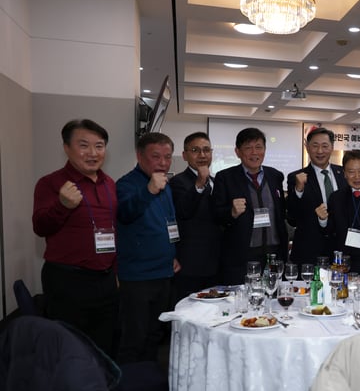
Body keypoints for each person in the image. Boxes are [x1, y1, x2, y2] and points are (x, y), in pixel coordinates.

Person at [32, 119, 118, 355]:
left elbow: (114, 230)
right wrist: (62, 205)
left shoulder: (109, 184)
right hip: (68, 281)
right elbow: (40, 226)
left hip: (106, 279)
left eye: (99, 146)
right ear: (66, 148)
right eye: (83, 145)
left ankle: (102, 380)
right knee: (70, 349)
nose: (93, 153)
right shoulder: (50, 183)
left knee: (105, 346)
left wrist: (116, 271)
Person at [116, 132, 180, 363]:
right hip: (138, 277)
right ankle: (128, 383)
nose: (163, 162)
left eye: (167, 157)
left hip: (164, 272)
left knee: (155, 334)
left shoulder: (165, 184)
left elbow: (169, 222)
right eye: (156, 156)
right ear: (139, 156)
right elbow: (125, 213)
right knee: (135, 338)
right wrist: (148, 191)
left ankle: (148, 378)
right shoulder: (126, 184)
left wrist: (173, 253)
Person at [213, 127, 288, 285]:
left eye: (259, 147)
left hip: (274, 255)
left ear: (265, 150)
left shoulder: (275, 176)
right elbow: (215, 215)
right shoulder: (225, 178)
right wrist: (231, 212)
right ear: (238, 152)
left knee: (273, 296)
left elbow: (281, 214)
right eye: (248, 148)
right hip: (241, 256)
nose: (254, 153)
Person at [169, 131, 222, 300]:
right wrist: (199, 184)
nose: (202, 155)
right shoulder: (177, 182)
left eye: (206, 150)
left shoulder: (217, 182)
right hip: (191, 265)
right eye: (195, 150)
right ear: (185, 155)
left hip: (217, 264)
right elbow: (183, 211)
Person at [286, 127, 346, 265]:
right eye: (315, 146)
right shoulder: (296, 177)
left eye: (325, 146)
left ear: (332, 147)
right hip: (309, 253)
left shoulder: (343, 174)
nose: (320, 151)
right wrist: (298, 190)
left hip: (340, 251)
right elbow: (292, 217)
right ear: (307, 147)